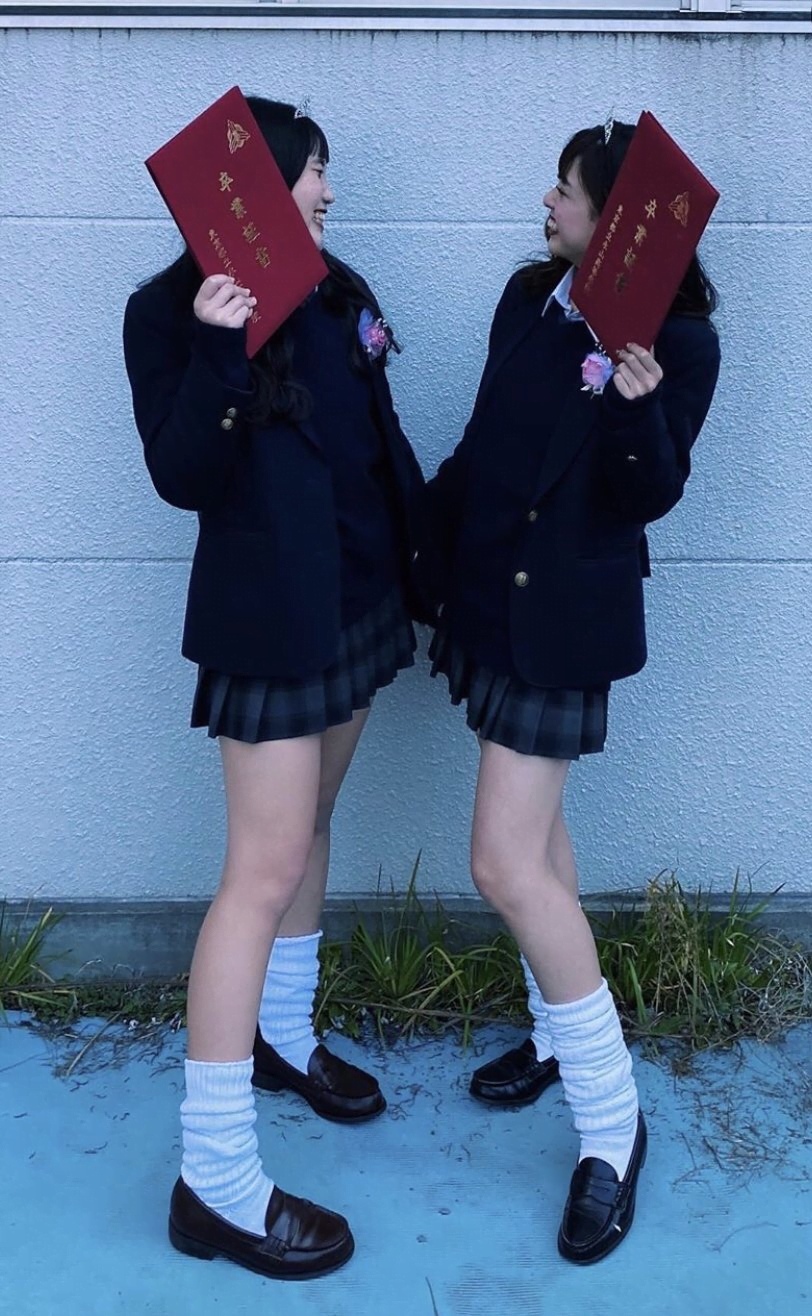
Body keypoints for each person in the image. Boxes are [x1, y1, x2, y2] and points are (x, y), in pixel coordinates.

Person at [123, 97, 426, 1280]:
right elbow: (181, 473)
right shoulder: (167, 310)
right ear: (254, 182)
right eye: (313, 172)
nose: (329, 193)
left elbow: (378, 444)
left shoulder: (339, 289)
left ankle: (284, 1038)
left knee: (311, 827)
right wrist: (220, 345)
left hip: (357, 607)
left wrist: (429, 562)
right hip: (267, 627)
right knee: (257, 869)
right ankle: (213, 1179)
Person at [421, 119, 720, 1264]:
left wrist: (634, 402)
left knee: (499, 863)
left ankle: (609, 1119)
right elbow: (485, 440)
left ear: (617, 223)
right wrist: (416, 542)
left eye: (564, 192)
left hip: (562, 623)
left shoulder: (677, 342)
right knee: (538, 848)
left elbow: (646, 495)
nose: (545, 204)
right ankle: (556, 1034)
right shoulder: (527, 299)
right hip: (488, 602)